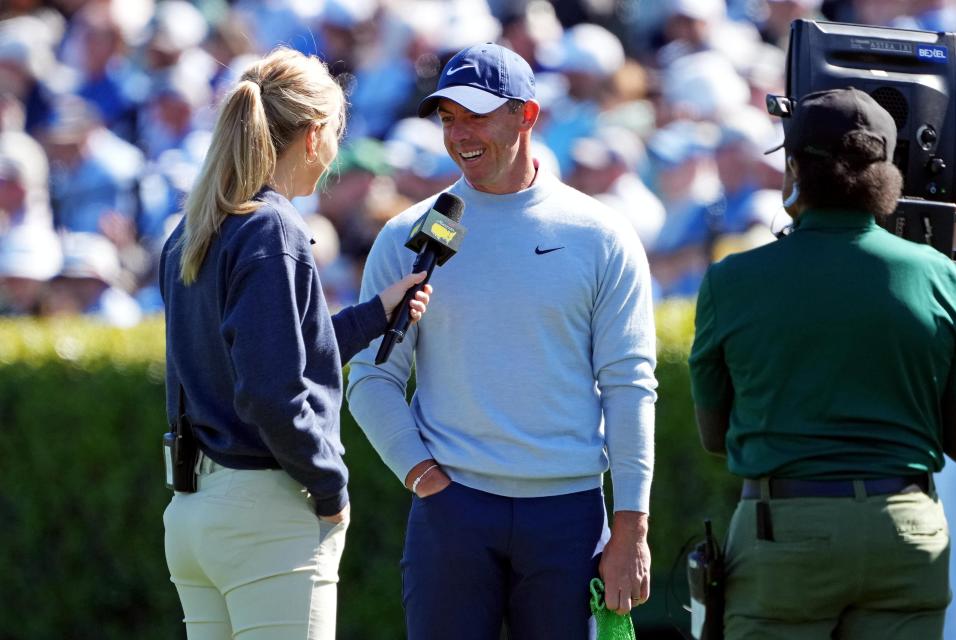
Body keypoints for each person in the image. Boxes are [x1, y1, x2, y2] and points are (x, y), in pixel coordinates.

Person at [347, 43, 658, 639]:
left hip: (568, 513)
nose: (459, 133)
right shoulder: (406, 236)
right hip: (451, 511)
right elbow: (372, 376)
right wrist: (422, 476)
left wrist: (632, 527)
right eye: (448, 117)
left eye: (477, 115)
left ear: (527, 116)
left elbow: (630, 385)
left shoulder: (601, 235)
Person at [159, 48, 432, 640]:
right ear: (312, 136)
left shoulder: (196, 226)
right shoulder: (272, 225)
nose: (333, 154)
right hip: (265, 513)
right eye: (334, 135)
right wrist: (330, 484)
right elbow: (271, 390)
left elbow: (269, 353)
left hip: (194, 513)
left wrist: (372, 316)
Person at [689, 87, 956, 639]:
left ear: (794, 169)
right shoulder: (941, 276)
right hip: (906, 528)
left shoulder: (732, 280)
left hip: (784, 530)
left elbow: (715, 435)